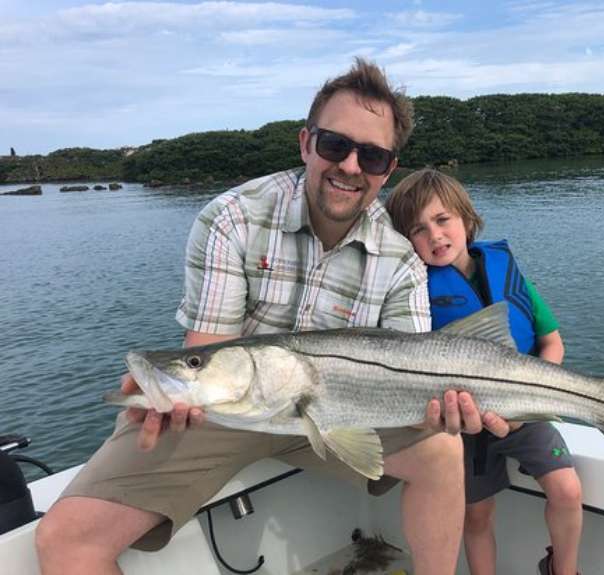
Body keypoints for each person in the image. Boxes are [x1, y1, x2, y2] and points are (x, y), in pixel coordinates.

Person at [35, 59, 475, 575]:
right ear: (306, 143)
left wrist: (449, 408)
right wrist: (173, 395)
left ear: (388, 168)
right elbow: (209, 352)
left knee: (444, 451)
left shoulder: (401, 259)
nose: (351, 166)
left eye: (372, 156)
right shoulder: (234, 217)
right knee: (65, 541)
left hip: (341, 409)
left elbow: (407, 372)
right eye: (335, 145)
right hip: (225, 412)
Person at [386, 169, 584, 575]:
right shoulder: (411, 296)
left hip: (525, 407)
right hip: (460, 424)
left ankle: (564, 570)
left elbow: (552, 342)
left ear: (466, 219)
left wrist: (527, 405)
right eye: (418, 230)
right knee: (476, 517)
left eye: (443, 220)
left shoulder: (506, 271)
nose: (435, 235)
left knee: (567, 489)